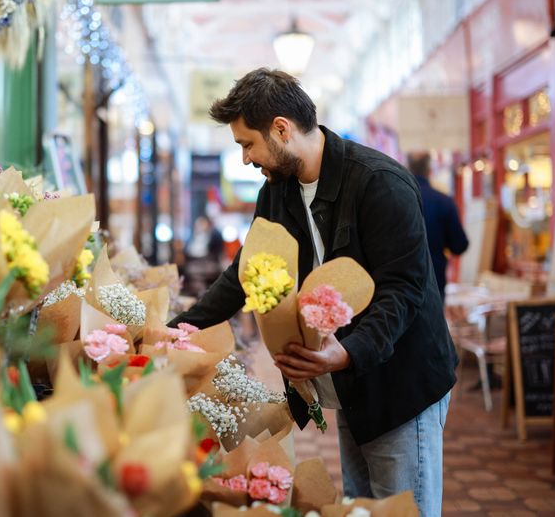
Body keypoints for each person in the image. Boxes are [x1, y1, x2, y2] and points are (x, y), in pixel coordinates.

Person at [169, 68, 457, 517]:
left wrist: (349, 353)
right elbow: (247, 271)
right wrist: (179, 329)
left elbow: (402, 291)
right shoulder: (278, 192)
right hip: (351, 383)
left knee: (403, 510)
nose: (245, 158)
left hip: (402, 384)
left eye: (248, 144)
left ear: (281, 129)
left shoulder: (379, 183)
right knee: (362, 507)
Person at [407, 152, 469, 303]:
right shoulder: (444, 202)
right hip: (434, 279)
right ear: (429, 170)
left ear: (407, 168)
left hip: (400, 281)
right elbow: (459, 245)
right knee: (433, 324)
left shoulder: (394, 200)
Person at [183, 216, 224, 296]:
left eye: (201, 224)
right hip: (197, 264)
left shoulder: (214, 235)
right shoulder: (194, 236)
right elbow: (188, 250)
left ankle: (203, 293)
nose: (199, 226)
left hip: (209, 264)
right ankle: (198, 292)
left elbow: (216, 253)